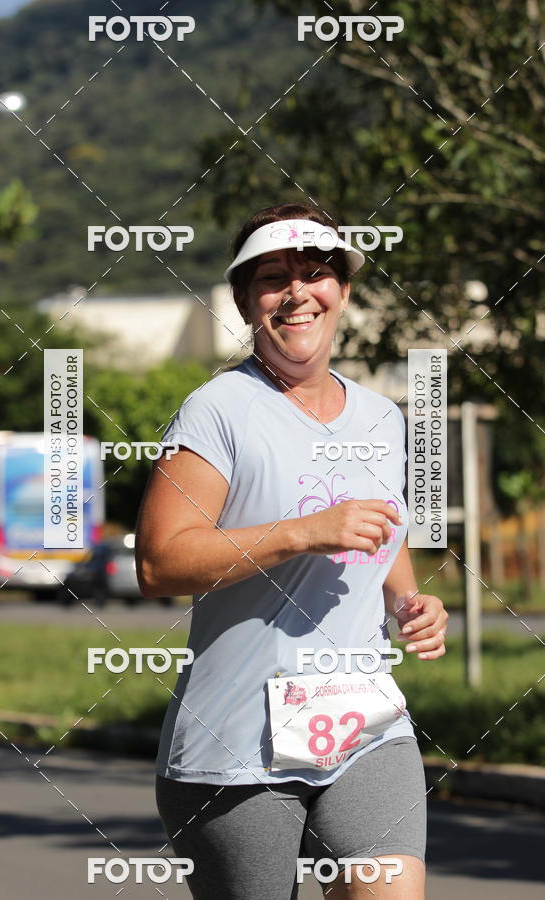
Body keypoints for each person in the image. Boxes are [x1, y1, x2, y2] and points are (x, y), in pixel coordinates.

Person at [135, 201, 449, 899]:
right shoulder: (218, 409)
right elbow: (159, 562)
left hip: (362, 716)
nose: (297, 292)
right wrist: (303, 532)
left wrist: (408, 600)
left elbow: (379, 529)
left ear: (341, 290)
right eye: (273, 278)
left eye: (315, 272)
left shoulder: (381, 416)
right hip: (235, 742)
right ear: (247, 301)